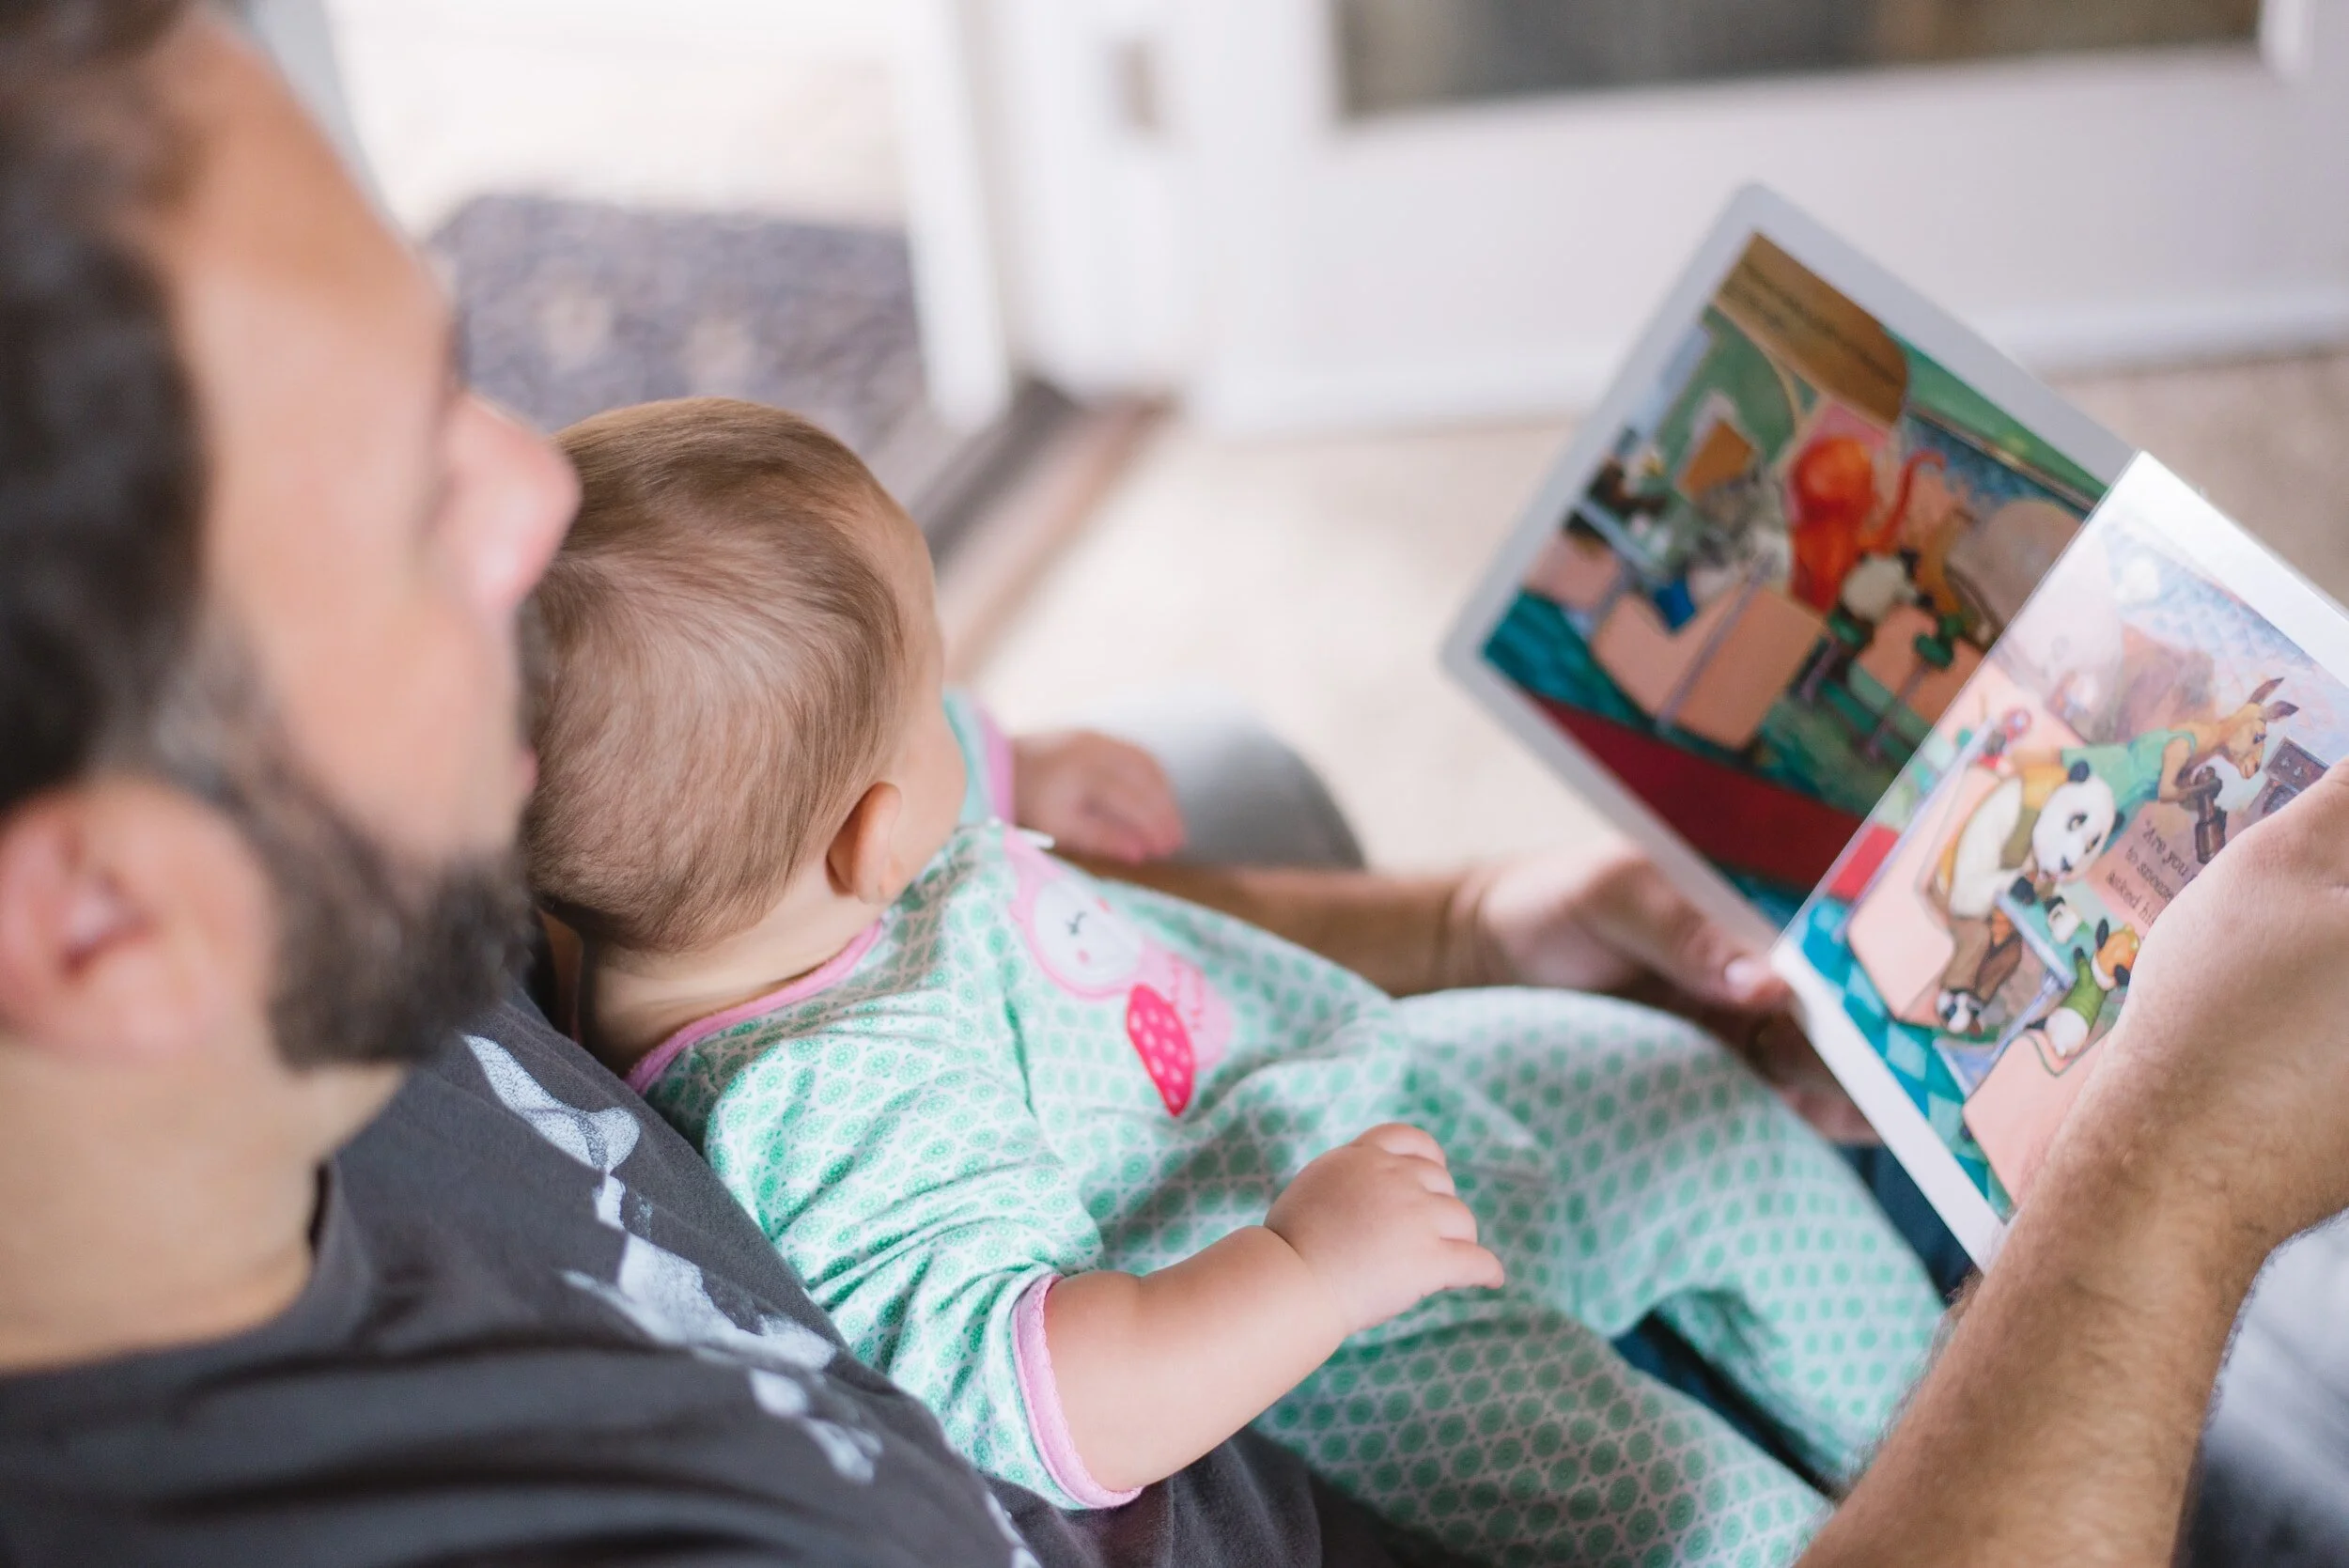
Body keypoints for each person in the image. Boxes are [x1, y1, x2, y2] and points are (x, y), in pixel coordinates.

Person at [0, 5, 2341, 1565]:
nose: (533, 498)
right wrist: (2166, 1186)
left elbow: (951, 920)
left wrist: (1450, 923)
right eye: (410, 500)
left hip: (1379, 1133)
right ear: (99, 923)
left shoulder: (399, 861)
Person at [523, 396, 1942, 1566]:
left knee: (1687, 1094)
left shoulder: (748, 878)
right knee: (1700, 1524)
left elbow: (862, 756)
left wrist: (1017, 761)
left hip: (1347, 1078)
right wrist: (1307, 1272)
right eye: (935, 698)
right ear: (874, 837)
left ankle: (1943, 1424)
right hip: (1354, 1329)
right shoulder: (831, 1106)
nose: (958, 715)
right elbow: (1048, 1398)